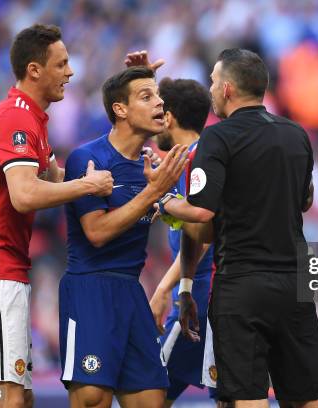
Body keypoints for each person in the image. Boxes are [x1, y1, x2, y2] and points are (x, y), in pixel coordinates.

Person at [0, 24, 114, 408]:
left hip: (6, 270)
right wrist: (89, 187)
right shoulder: (15, 118)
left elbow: (57, 178)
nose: (70, 72)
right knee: (7, 397)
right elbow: (25, 195)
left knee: (20, 397)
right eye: (62, 64)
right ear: (35, 70)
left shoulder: (33, 119)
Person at [160, 48, 318, 408]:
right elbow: (305, 201)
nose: (211, 90)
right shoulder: (296, 134)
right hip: (293, 282)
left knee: (248, 398)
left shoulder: (216, 139)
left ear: (227, 90)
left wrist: (163, 201)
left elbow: (201, 214)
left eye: (213, 82)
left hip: (242, 283)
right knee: (309, 397)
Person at [58, 66, 188, 408]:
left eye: (158, 95)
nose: (160, 103)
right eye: (147, 97)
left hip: (131, 291)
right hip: (90, 288)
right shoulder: (88, 159)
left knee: (152, 401)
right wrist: (153, 193)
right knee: (91, 399)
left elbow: (187, 226)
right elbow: (97, 232)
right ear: (120, 109)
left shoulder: (154, 168)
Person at [148, 77, 219, 405]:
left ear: (170, 117)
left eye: (159, 110)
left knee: (150, 394)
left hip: (197, 300)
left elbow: (203, 235)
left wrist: (164, 289)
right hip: (202, 296)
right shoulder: (186, 158)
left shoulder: (196, 159)